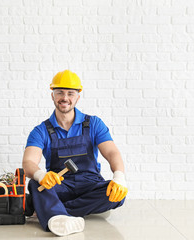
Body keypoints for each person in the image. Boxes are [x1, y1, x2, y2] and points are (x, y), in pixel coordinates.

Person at [22, 70, 128, 237]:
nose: (65, 98)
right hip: (60, 185)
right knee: (36, 184)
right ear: (53, 96)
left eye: (70, 93)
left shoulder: (94, 123)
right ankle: (57, 212)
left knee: (117, 195)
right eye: (60, 93)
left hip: (90, 184)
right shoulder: (41, 131)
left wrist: (119, 177)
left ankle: (53, 212)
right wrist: (41, 174)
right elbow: (28, 162)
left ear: (78, 97)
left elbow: (112, 152)